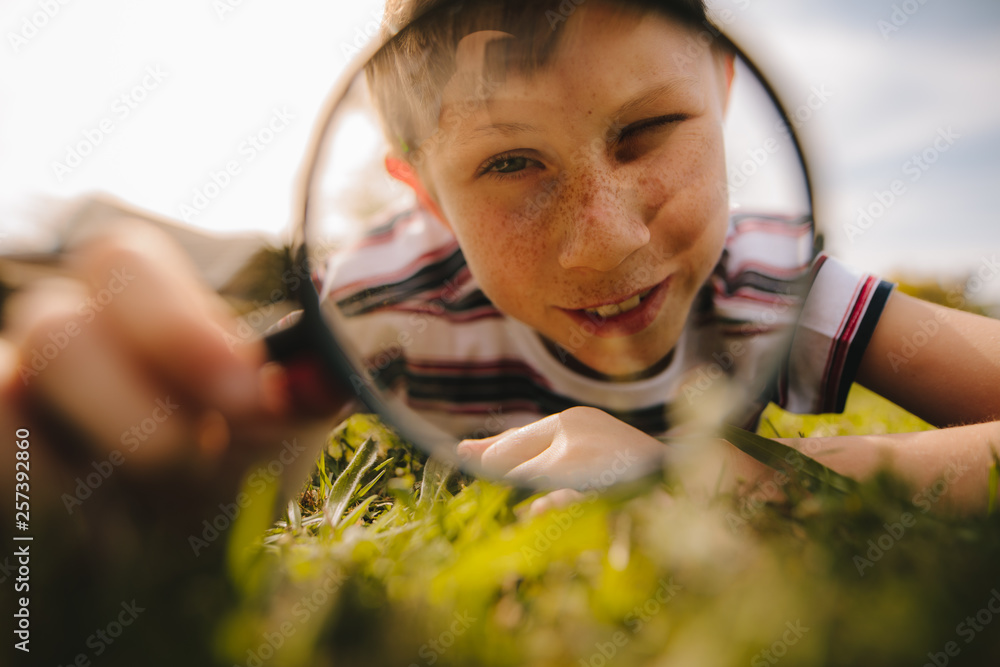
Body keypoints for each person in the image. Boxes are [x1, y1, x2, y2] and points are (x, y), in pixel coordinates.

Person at [2, 0, 998, 518]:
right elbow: (259, 443)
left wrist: (757, 485)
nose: (606, 238)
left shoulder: (770, 288)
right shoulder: (377, 305)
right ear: (426, 195)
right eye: (512, 162)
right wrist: (196, 471)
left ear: (726, 92)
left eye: (648, 129)